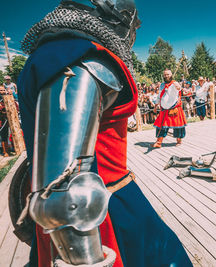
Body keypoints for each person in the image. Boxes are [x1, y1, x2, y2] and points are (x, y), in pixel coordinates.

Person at [17, 1, 192, 267]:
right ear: (118, 18)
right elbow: (66, 190)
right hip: (98, 212)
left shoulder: (49, 56)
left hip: (72, 207)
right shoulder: (84, 60)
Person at [152, 69, 187, 147]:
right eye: (165, 75)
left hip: (174, 108)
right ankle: (159, 142)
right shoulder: (161, 85)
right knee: (161, 126)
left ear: (171, 75)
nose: (166, 76)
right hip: (164, 109)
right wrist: (156, 105)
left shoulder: (174, 83)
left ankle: (179, 141)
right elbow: (159, 96)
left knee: (178, 126)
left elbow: (179, 88)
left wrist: (179, 86)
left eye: (168, 74)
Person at [0, 86, 10, 157]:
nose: (3, 91)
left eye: (4, 90)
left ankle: (8, 150)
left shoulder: (6, 97)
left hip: (6, 120)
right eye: (1, 90)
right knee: (3, 135)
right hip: (1, 121)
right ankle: (5, 151)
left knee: (6, 135)